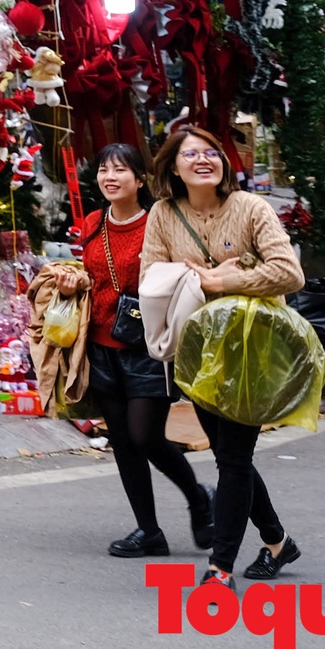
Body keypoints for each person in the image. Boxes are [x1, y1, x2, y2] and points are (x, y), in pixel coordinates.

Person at [141, 122, 306, 591]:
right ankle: (277, 541)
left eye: (211, 152)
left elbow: (289, 273)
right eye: (190, 154)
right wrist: (200, 279)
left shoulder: (251, 208)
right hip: (196, 351)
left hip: (252, 349)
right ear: (173, 168)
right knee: (230, 455)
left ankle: (220, 568)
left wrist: (222, 281)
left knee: (233, 459)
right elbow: (151, 274)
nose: (203, 159)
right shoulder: (163, 214)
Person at [73, 142, 212, 558]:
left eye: (120, 170)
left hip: (148, 346)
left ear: (140, 179)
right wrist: (71, 281)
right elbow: (89, 274)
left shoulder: (159, 221)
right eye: (103, 170)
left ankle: (198, 496)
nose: (110, 177)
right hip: (101, 346)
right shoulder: (93, 223)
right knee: (122, 440)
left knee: (145, 435)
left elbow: (180, 275)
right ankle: (148, 531)